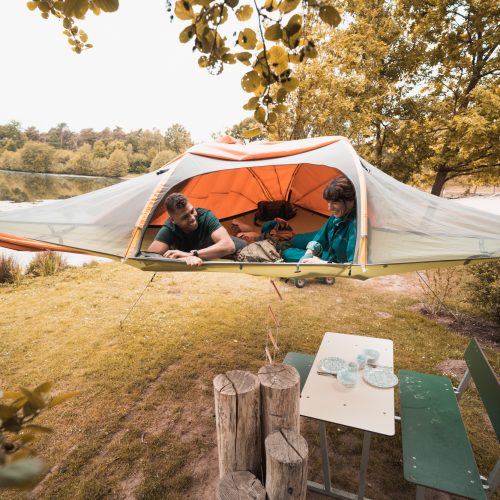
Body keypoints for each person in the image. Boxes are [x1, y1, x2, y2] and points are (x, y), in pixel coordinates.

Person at [147, 193, 246, 266]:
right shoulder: (169, 228)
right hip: (214, 254)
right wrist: (184, 259)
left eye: (192, 211)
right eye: (185, 217)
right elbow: (149, 258)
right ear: (173, 220)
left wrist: (191, 254)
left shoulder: (206, 216)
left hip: (241, 247)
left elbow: (229, 246)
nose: (192, 218)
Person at [293, 176, 357, 264]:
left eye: (334, 203)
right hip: (331, 253)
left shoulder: (357, 226)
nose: (329, 208)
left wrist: (321, 263)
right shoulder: (336, 216)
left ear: (350, 201)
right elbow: (319, 239)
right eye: (328, 202)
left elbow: (353, 267)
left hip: (337, 264)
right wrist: (309, 253)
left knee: (287, 253)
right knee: (295, 240)